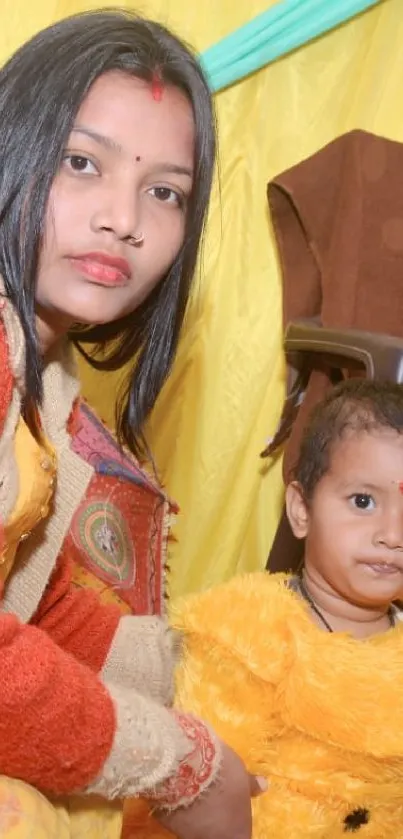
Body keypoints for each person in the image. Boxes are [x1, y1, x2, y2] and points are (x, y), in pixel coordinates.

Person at [0, 9, 265, 839]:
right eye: (82, 163)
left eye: (165, 192)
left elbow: (39, 607)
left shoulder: (48, 385)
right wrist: (184, 763)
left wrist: (208, 688)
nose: (125, 218)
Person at [129, 378, 403, 838]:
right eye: (363, 501)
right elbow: (200, 789)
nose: (392, 534)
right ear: (301, 510)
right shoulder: (252, 632)